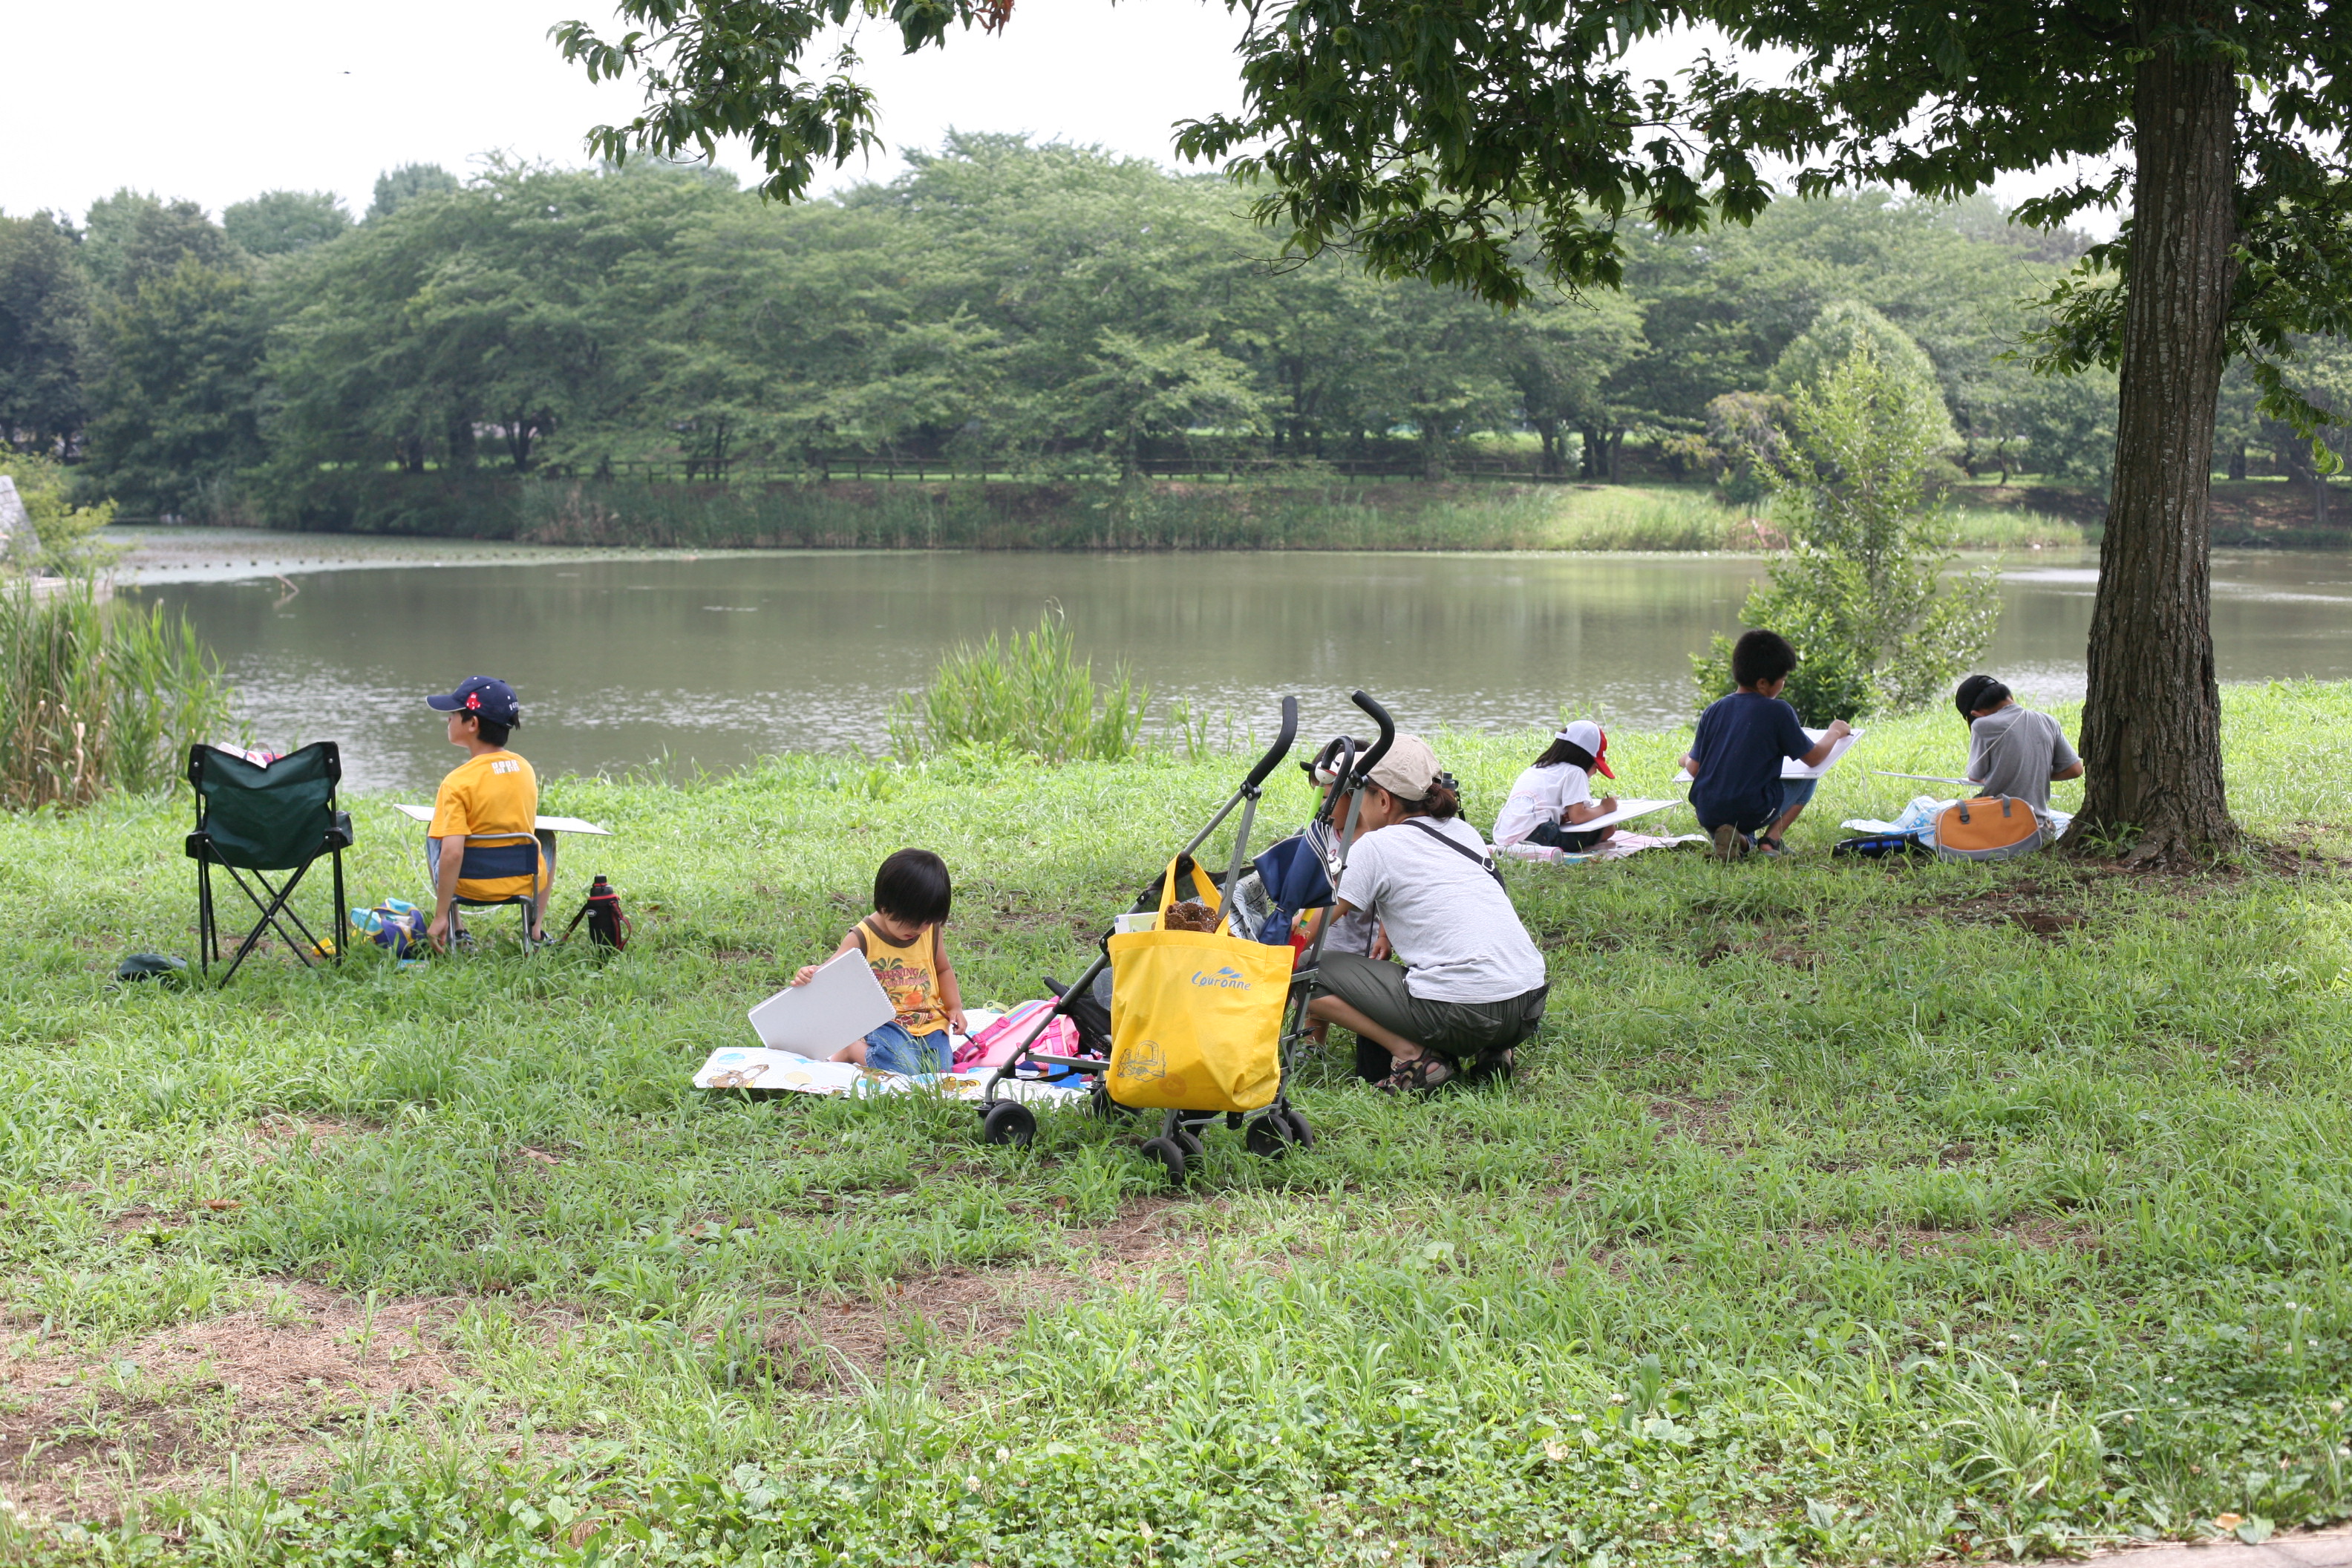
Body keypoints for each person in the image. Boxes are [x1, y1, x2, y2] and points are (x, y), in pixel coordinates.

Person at [1304, 734, 1549, 1094]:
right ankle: (1492, 1049)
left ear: (1383, 800)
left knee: (1301, 969)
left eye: (1362, 794)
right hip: (1528, 1007)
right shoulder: (1463, 832)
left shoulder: (1376, 845)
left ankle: (1412, 1057)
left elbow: (1315, 924)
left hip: (1464, 1011)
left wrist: (1256, 943)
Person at [793, 847, 967, 1076]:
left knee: (940, 1071)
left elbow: (943, 969)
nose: (918, 930)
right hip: (886, 1024)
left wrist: (955, 1007)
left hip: (929, 1022)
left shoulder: (930, 931)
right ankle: (851, 1048)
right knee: (903, 1071)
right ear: (885, 907)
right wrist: (809, 973)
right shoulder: (862, 937)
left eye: (926, 922)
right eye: (911, 923)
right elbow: (830, 974)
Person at [1681, 630, 1852, 860]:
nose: (1783, 684)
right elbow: (1814, 758)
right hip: (1751, 809)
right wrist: (1834, 732)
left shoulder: (1714, 710)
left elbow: (1693, 768)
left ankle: (1740, 841)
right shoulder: (1778, 711)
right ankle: (1771, 841)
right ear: (1763, 683)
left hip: (1708, 812)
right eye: (1783, 678)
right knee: (1808, 777)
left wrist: (1684, 758)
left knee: (1741, 801)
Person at [424, 676, 555, 950]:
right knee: (547, 838)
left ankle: (455, 928)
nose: (448, 720)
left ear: (472, 724)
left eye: (454, 714)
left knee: (436, 834)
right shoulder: (525, 769)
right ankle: (535, 931)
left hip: (470, 886)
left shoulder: (456, 782)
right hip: (523, 883)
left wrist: (437, 916)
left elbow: (453, 852)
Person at [1954, 674, 2083, 826]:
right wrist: (2034, 772)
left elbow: (1975, 776)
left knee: (1943, 818)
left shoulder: (1981, 726)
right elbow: (2075, 770)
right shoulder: (2049, 721)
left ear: (1976, 714)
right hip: (2039, 827)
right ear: (2010, 696)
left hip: (1998, 825)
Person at [1494, 719, 1620, 850]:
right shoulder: (1576, 772)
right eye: (1596, 766)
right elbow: (1578, 817)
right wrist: (1605, 808)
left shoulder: (1536, 768)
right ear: (1585, 758)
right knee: (1608, 829)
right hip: (1536, 837)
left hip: (1503, 836)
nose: (1595, 772)